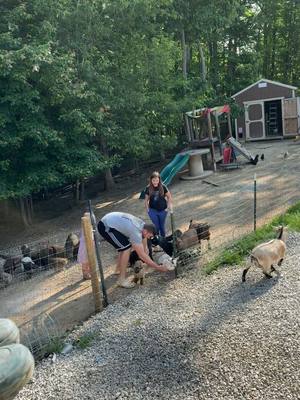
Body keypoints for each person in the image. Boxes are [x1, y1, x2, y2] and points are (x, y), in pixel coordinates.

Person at [98, 211, 169, 288]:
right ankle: (121, 280)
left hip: (111, 220)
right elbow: (141, 255)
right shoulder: (136, 233)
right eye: (150, 236)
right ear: (146, 231)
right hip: (106, 226)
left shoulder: (143, 225)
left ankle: (118, 269)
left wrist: (146, 250)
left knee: (123, 247)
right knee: (126, 248)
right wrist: (157, 267)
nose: (150, 238)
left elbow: (144, 238)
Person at [144, 171, 172, 237]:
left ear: (159, 180)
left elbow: (169, 197)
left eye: (157, 180)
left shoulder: (163, 187)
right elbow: (146, 200)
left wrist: (167, 208)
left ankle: (163, 239)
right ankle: (157, 240)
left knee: (162, 226)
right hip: (152, 211)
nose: (155, 182)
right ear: (151, 180)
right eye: (153, 180)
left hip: (163, 210)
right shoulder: (148, 188)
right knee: (156, 226)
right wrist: (148, 210)